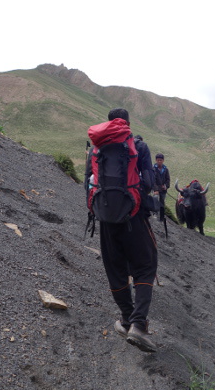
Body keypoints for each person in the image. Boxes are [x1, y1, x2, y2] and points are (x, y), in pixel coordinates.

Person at [84, 108, 159, 352]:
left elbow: (88, 182)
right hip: (133, 216)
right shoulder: (138, 145)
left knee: (115, 269)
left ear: (108, 123)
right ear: (127, 123)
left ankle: (126, 319)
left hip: (105, 218)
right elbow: (148, 182)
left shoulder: (96, 148)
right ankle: (139, 324)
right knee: (146, 266)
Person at [153, 153, 170, 222]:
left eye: (161, 160)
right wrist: (155, 189)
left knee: (162, 202)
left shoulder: (166, 169)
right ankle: (155, 214)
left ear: (163, 160)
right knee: (155, 200)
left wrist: (166, 186)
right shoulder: (153, 169)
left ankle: (162, 217)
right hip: (156, 189)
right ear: (156, 160)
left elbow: (168, 179)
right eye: (158, 160)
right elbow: (152, 180)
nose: (159, 161)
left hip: (163, 189)